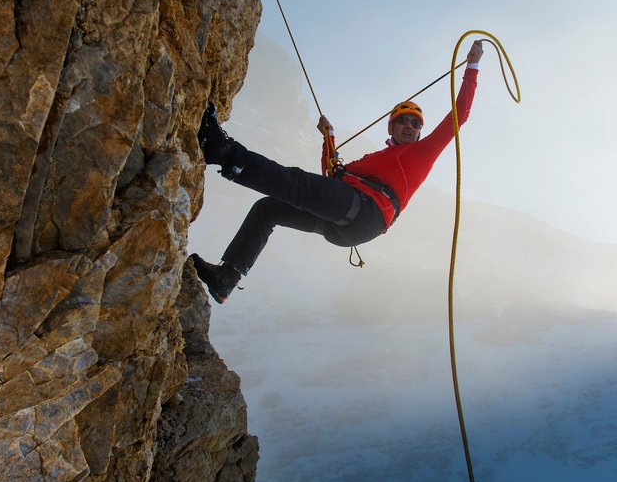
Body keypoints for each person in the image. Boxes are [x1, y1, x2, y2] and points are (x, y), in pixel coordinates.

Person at [188, 40, 485, 302]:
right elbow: (333, 178)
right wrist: (328, 138)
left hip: (367, 211)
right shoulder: (374, 159)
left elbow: (459, 116)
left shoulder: (421, 153)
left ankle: (221, 151)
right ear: (391, 127)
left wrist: (472, 66)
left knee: (297, 184)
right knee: (269, 209)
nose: (410, 126)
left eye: (416, 124)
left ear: (420, 132)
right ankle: (227, 278)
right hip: (350, 223)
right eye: (404, 121)